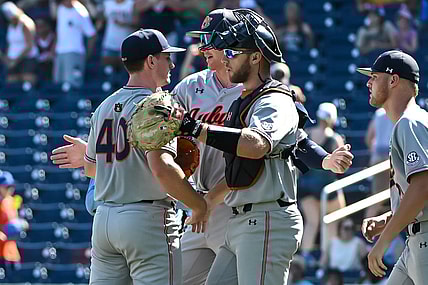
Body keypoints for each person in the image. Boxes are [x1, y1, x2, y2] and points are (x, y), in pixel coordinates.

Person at [50, 9, 353, 285]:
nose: (205, 47)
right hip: (200, 206)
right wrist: (101, 158)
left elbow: (286, 139)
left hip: (232, 203)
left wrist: (325, 160)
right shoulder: (189, 87)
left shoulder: (258, 91)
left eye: (215, 41)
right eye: (204, 40)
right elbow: (152, 130)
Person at [82, 28, 207, 285]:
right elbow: (161, 169)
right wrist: (198, 204)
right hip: (145, 219)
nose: (171, 63)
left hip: (105, 219)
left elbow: (89, 168)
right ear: (151, 61)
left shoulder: (104, 105)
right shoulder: (158, 105)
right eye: (166, 57)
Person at [358, 50, 428, 284]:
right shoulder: (412, 121)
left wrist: (384, 241)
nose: (369, 82)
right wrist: (388, 220)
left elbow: (423, 187)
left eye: (374, 76)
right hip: (415, 240)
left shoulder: (410, 123)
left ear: (393, 80)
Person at [298, 102, 347, 260]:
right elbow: (341, 167)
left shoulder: (307, 133)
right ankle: (326, 258)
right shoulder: (335, 138)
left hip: (305, 186)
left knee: (312, 222)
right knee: (331, 221)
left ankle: (305, 258)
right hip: (327, 186)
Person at [50, 0, 97, 88]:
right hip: (59, 53)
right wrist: (54, 47)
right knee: (58, 86)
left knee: (72, 86)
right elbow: (59, 31)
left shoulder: (81, 12)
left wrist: (88, 54)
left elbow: (92, 34)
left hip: (75, 53)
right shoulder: (60, 9)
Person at [364, 108, 394, 218]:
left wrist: (375, 152)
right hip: (390, 159)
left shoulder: (378, 113)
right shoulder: (399, 112)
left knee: (379, 197)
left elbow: (368, 138)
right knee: (377, 199)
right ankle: (366, 229)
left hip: (379, 158)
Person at [1, 2, 38, 85]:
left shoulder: (25, 24)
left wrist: (16, 60)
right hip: (12, 60)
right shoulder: (10, 25)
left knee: (28, 84)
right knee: (12, 84)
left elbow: (29, 46)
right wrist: (8, 58)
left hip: (27, 59)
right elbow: (10, 43)